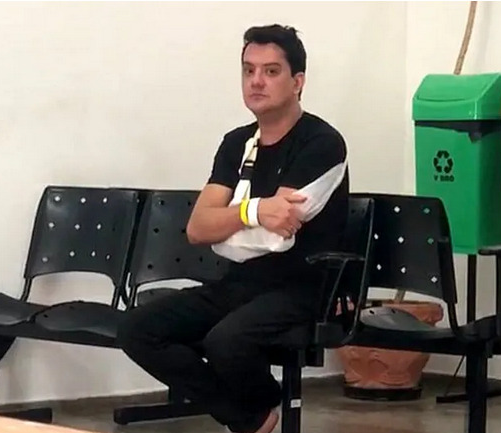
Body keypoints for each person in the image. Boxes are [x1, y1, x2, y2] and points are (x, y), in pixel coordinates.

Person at [118, 24, 349, 433]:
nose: (256, 81)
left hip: (302, 288)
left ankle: (253, 410)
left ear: (298, 82)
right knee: (137, 328)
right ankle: (251, 416)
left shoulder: (322, 142)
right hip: (239, 283)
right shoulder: (236, 143)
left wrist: (231, 221)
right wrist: (255, 211)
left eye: (271, 71)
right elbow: (198, 228)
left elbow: (276, 235)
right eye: (248, 70)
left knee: (226, 340)